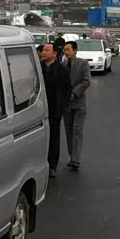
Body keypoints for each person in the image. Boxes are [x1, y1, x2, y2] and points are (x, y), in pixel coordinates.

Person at [40, 42, 71, 177]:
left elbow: (66, 91)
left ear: (54, 53)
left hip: (54, 110)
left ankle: (52, 165)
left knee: (54, 138)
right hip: (39, 109)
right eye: (43, 50)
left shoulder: (63, 70)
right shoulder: (37, 68)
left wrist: (61, 108)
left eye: (47, 50)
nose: (43, 52)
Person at [62, 41, 91, 170]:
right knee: (68, 131)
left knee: (77, 131)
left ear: (75, 50)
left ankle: (76, 159)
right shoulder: (62, 65)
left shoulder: (83, 63)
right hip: (66, 105)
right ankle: (72, 156)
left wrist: (74, 93)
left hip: (79, 104)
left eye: (68, 49)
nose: (65, 52)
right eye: (64, 49)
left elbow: (87, 81)